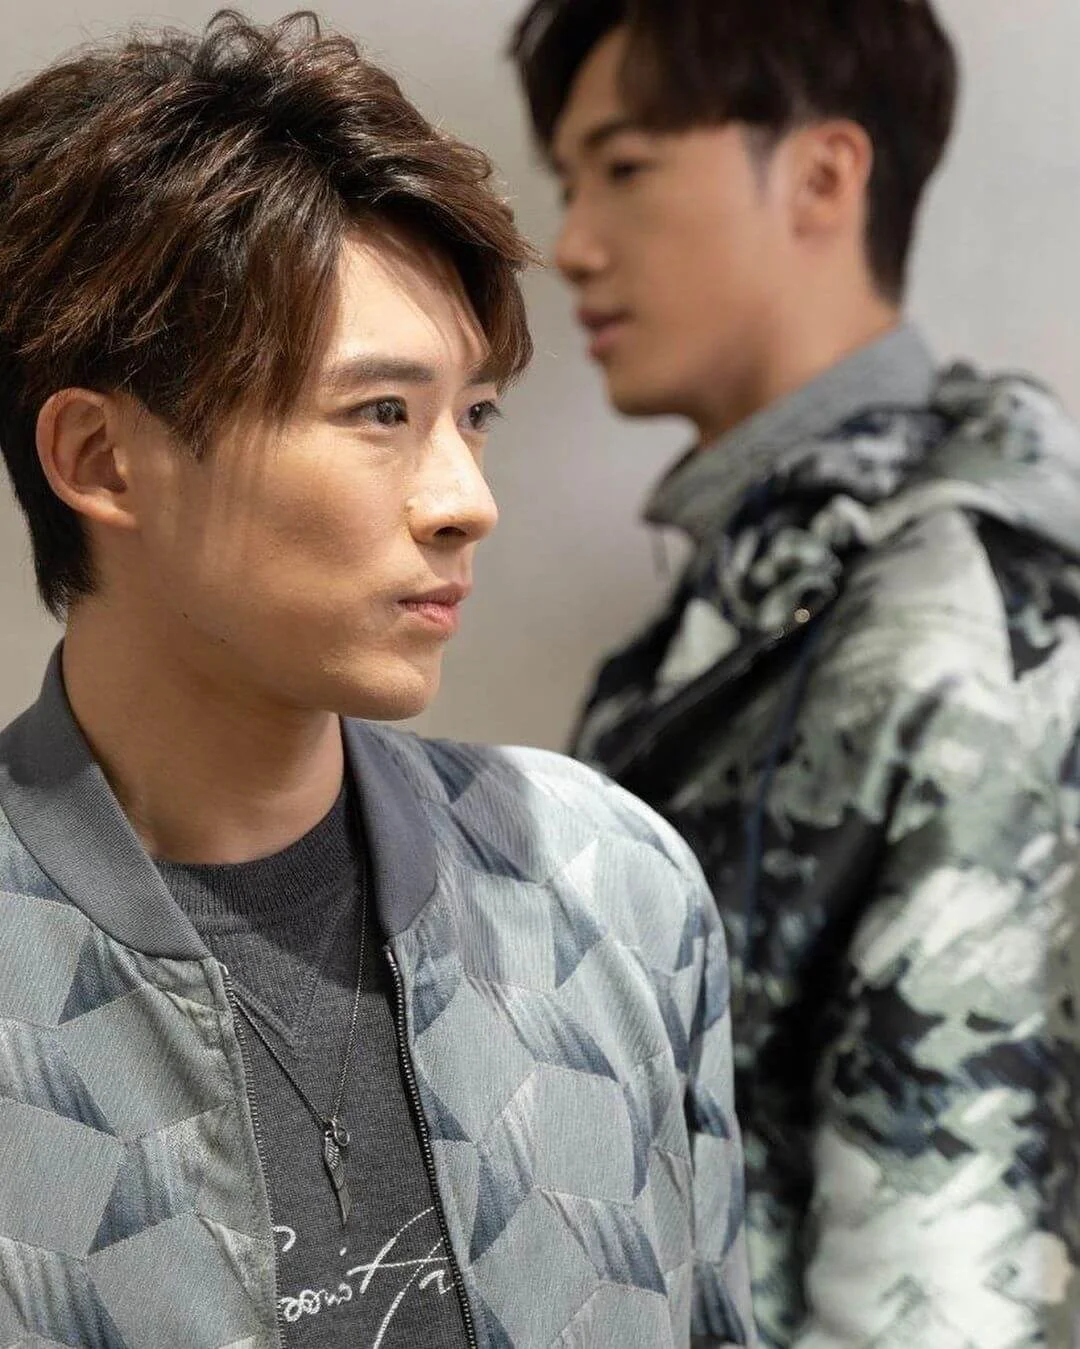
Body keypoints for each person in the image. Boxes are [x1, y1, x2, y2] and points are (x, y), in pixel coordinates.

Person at [0, 13, 753, 1348]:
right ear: (103, 461)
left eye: (475, 415)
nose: (467, 501)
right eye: (380, 413)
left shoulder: (604, 891)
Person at [510, 1, 1080, 1344]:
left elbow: (945, 1280)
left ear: (824, 176)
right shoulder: (754, 601)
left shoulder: (960, 619)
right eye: (569, 184)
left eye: (625, 167)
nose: (572, 244)